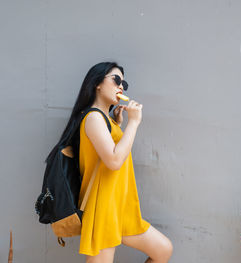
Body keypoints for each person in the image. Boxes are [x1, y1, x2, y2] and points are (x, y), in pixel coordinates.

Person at [58, 62, 173, 263]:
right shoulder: (93, 117)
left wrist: (118, 126)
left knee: (163, 250)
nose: (121, 86)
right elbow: (113, 161)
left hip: (119, 207)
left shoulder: (106, 120)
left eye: (124, 83)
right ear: (97, 84)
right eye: (116, 80)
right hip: (103, 208)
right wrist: (134, 122)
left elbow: (107, 154)